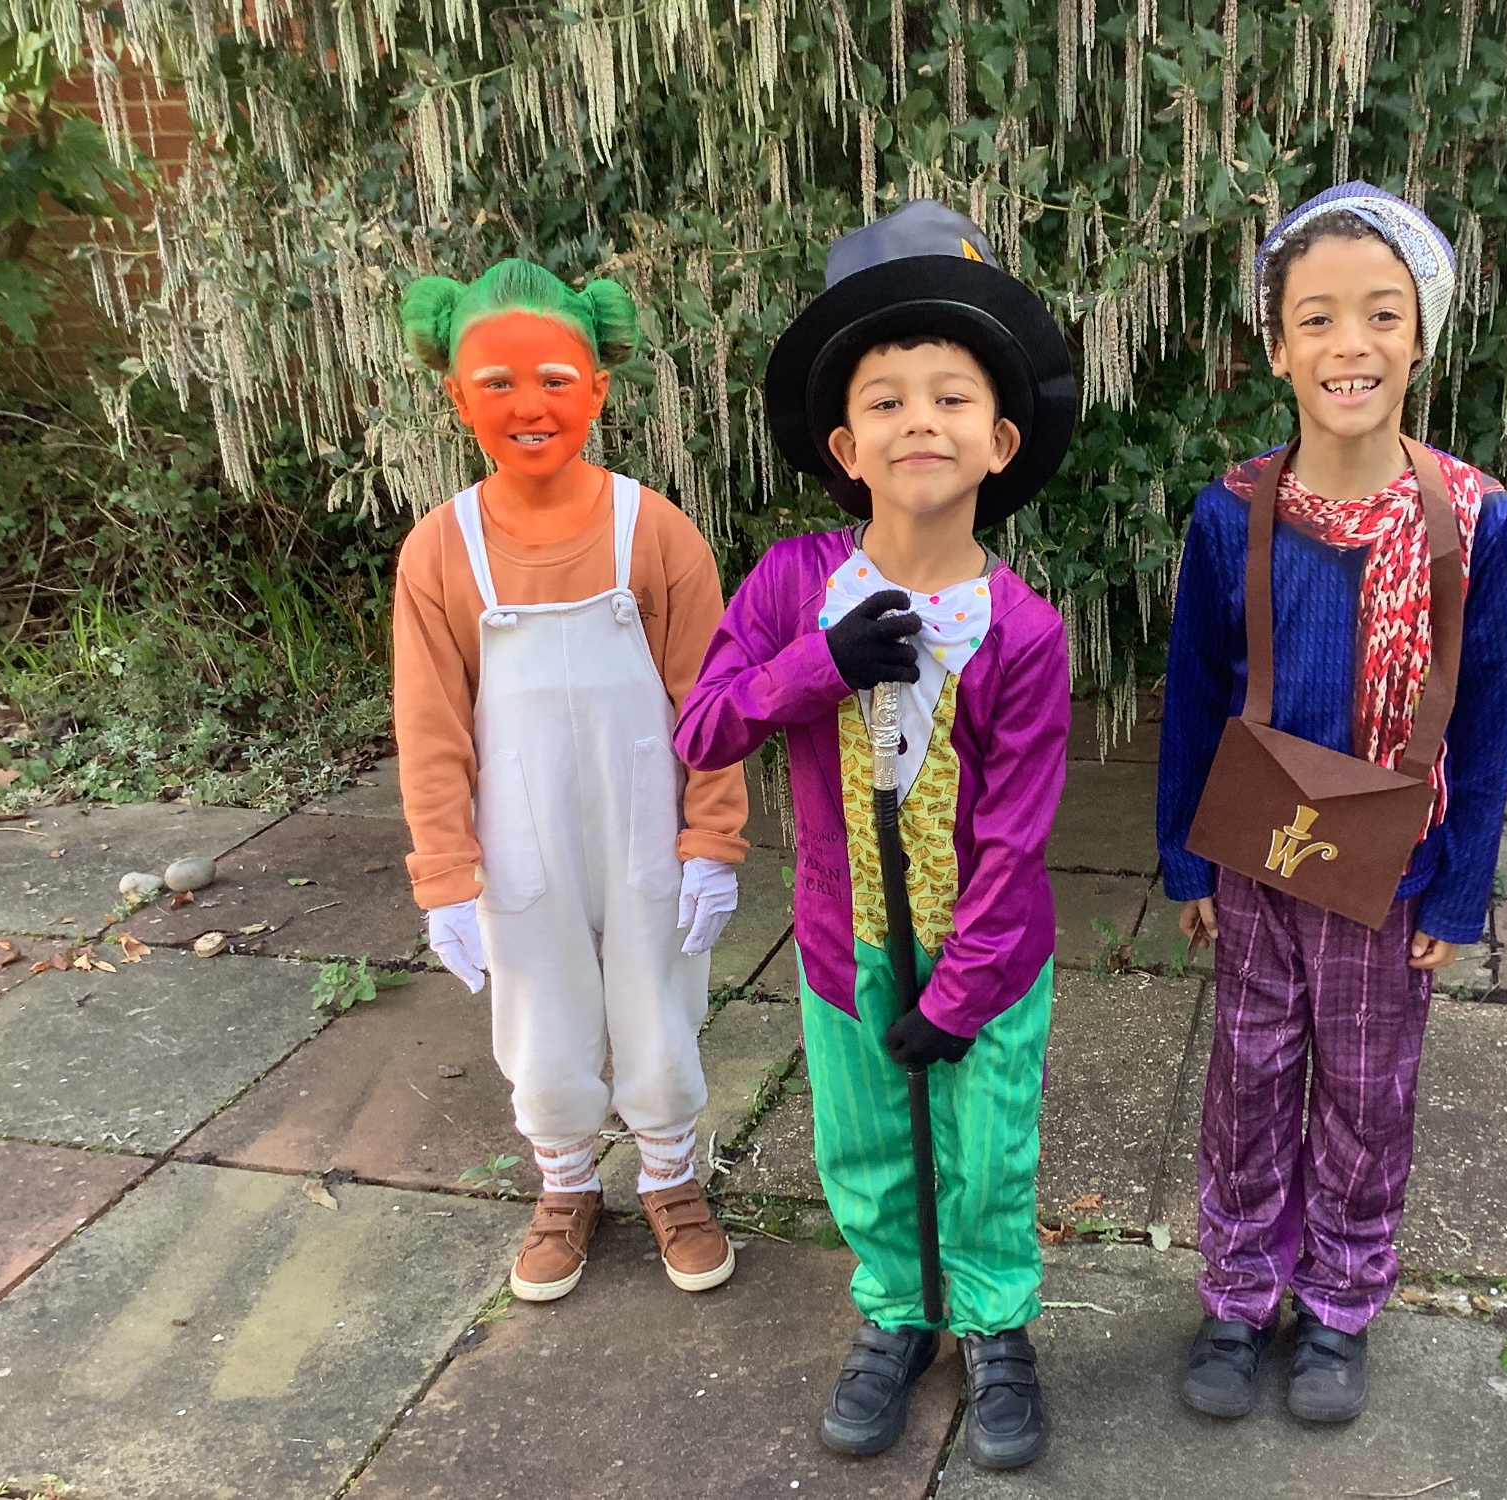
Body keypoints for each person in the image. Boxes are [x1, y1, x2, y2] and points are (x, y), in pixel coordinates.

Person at [675, 200, 1075, 1470]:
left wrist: (961, 995)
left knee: (985, 1147)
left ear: (997, 440)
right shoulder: (794, 587)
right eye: (887, 401)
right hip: (842, 943)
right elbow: (701, 730)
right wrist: (816, 667)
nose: (920, 422)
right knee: (861, 1141)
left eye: (948, 397)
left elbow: (1013, 836)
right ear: (846, 444)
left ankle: (997, 1325)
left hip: (989, 964)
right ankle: (896, 1316)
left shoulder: (1024, 629)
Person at [1156, 183, 1507, 1422]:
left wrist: (1460, 882)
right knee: (1248, 1074)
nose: (1348, 344)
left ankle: (1338, 1301)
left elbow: (1486, 711)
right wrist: (1187, 861)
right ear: (1277, 347)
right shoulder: (1230, 510)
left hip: (1392, 861)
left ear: (1419, 337)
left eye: (1379, 315)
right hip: (1260, 851)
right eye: (1316, 319)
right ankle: (1236, 1290)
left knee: (1368, 1088)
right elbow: (1195, 692)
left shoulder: (1471, 521)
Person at [393, 259, 747, 1304]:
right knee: (540, 1013)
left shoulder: (656, 532)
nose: (528, 405)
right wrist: (444, 873)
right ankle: (564, 1183)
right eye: (494, 384)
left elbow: (711, 700)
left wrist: (712, 838)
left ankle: (673, 1180)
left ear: (597, 387)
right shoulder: (440, 553)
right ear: (457, 398)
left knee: (656, 1002)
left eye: (553, 377)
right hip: (518, 833)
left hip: (644, 823)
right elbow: (428, 726)